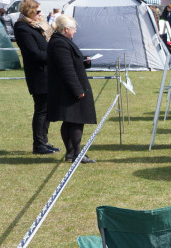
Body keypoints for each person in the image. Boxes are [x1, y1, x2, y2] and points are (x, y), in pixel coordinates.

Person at [47, 15, 98, 164]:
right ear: (66, 29)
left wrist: (84, 61)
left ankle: (72, 153)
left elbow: (72, 61)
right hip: (67, 89)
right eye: (74, 28)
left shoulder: (63, 41)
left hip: (67, 88)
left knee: (70, 120)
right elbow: (66, 69)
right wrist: (77, 90)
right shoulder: (59, 43)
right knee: (75, 120)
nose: (75, 31)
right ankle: (76, 153)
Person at [13, 0, 59, 155]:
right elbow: (33, 53)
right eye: (38, 11)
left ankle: (44, 141)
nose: (41, 14)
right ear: (29, 11)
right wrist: (54, 56)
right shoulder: (22, 28)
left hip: (48, 73)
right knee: (41, 110)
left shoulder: (38, 26)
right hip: (38, 74)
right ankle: (39, 145)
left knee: (47, 109)